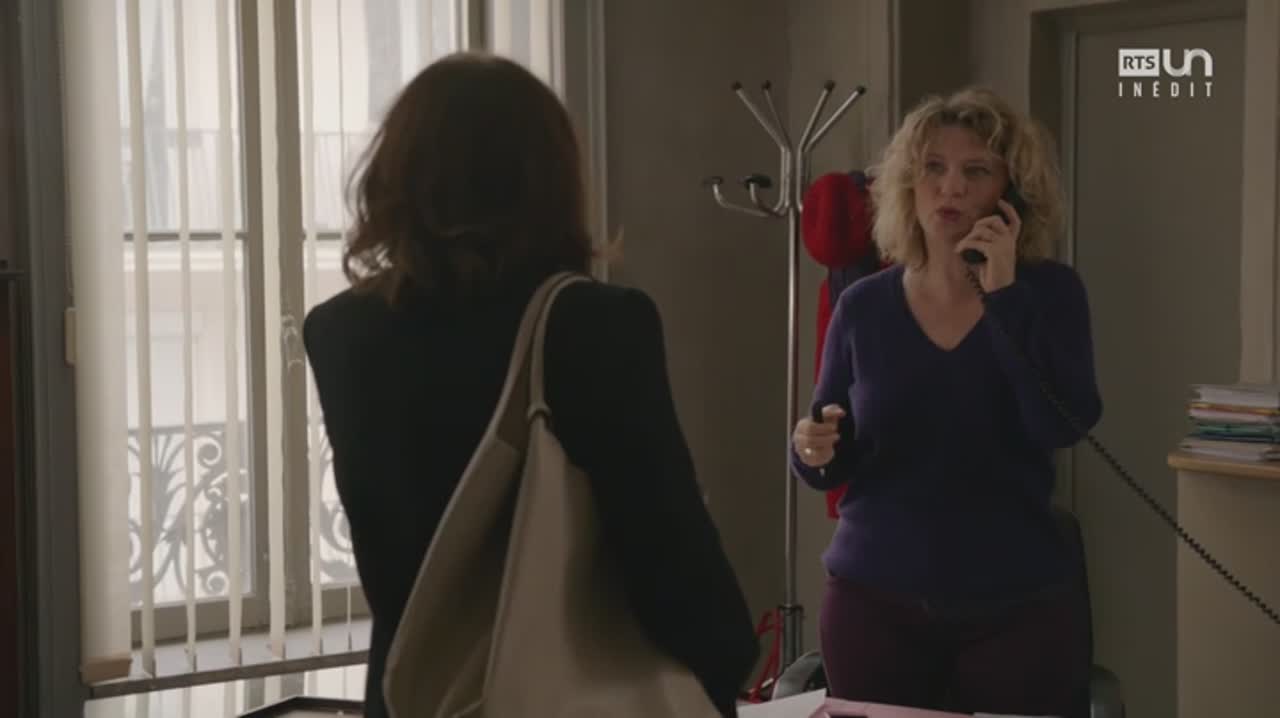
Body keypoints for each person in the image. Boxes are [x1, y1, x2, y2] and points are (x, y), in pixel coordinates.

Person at [304, 52, 759, 718]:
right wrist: (728, 663)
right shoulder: (593, 324)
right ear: (548, 178)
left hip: (415, 700)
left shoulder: (337, 331)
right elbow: (672, 565)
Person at [789, 86, 1103, 717]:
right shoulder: (863, 306)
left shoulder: (1051, 295)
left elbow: (1059, 424)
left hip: (1016, 604)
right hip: (873, 598)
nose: (950, 188)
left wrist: (1004, 295)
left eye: (976, 171)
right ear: (909, 184)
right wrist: (810, 450)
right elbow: (831, 449)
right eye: (933, 167)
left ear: (1011, 195)